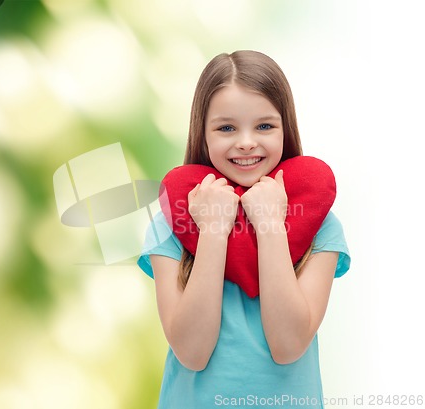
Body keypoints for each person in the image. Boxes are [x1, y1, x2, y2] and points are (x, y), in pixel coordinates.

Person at [137, 50, 350, 408]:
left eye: (265, 126)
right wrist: (214, 230)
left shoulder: (320, 224)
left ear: (286, 129)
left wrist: (269, 225)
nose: (247, 142)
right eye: (226, 128)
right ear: (202, 134)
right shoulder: (169, 224)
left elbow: (288, 345)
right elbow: (191, 352)